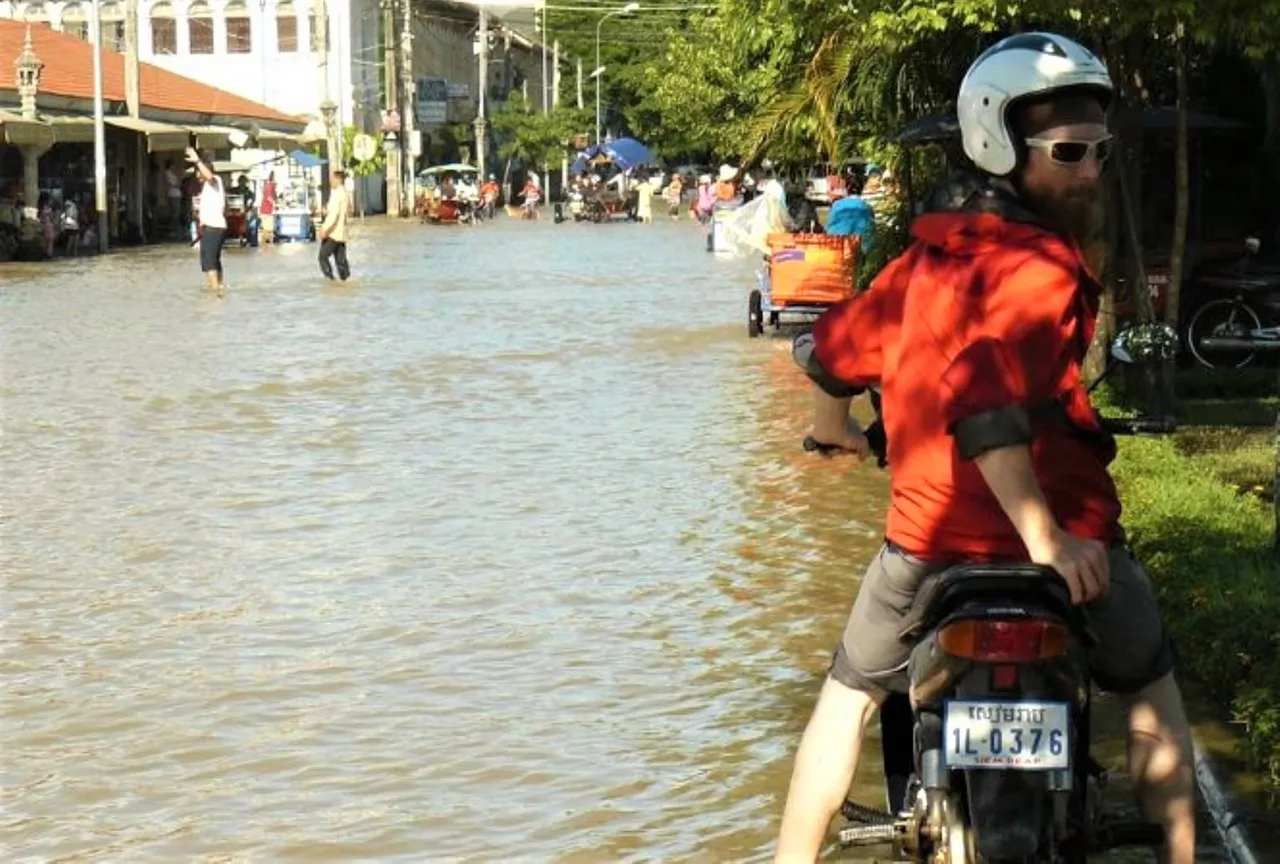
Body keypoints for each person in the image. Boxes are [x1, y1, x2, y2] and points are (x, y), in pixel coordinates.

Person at [775, 32, 1195, 864]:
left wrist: (837, 437)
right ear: (1002, 146)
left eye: (1098, 152)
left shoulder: (920, 265)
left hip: (927, 551)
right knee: (1154, 700)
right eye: (1069, 153)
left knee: (849, 699)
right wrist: (1046, 539)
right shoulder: (1041, 268)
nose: (1089, 172)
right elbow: (984, 394)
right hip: (1070, 548)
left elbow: (829, 357)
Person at [186, 147, 227, 294]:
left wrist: (197, 160)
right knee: (212, 261)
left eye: (198, 172)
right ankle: (218, 288)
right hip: (211, 228)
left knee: (210, 262)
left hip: (214, 228)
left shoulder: (215, 181)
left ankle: (215, 291)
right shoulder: (207, 190)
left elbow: (209, 176)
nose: (197, 176)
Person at [318, 168, 351, 281]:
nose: (330, 181)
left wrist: (325, 230)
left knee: (322, 257)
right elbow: (341, 211)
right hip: (341, 233)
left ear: (338, 179)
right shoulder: (344, 193)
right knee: (340, 261)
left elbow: (335, 215)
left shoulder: (337, 194)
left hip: (333, 233)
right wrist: (326, 210)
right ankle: (345, 281)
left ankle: (330, 280)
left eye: (332, 179)